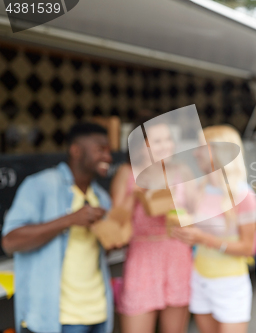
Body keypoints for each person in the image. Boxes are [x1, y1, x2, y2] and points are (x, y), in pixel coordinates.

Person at [1, 123, 114, 333]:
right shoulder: (41, 185)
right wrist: (69, 219)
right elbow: (10, 241)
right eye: (101, 149)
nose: (108, 157)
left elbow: (99, 252)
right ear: (76, 150)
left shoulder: (102, 198)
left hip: (99, 313)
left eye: (109, 150)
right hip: (56, 319)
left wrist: (114, 236)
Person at [172, 125, 256, 333]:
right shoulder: (200, 189)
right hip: (200, 280)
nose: (195, 153)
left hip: (230, 284)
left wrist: (202, 238)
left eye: (201, 147)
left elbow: (249, 248)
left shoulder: (243, 195)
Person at [110, 119, 192, 333]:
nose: (166, 145)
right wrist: (136, 195)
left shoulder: (181, 171)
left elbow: (198, 215)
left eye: (168, 139)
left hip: (177, 256)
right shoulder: (127, 173)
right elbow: (115, 226)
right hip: (142, 259)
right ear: (140, 146)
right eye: (157, 141)